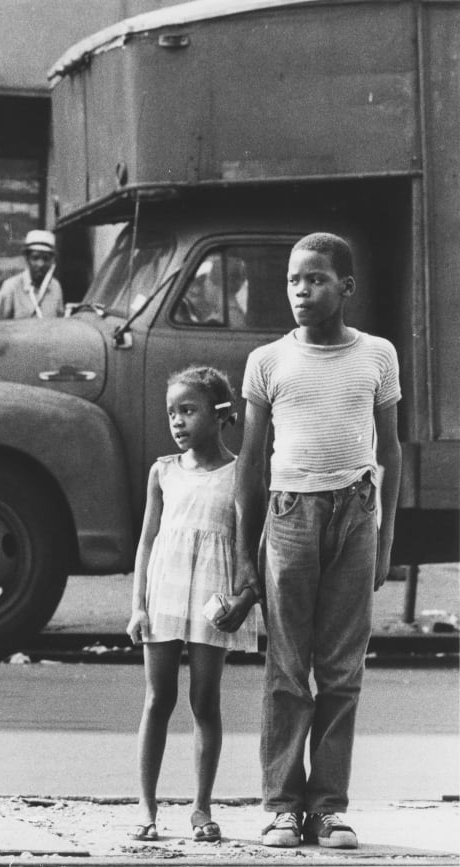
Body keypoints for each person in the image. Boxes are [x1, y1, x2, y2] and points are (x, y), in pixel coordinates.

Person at [219, 232, 402, 848]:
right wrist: (246, 557)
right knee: (288, 669)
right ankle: (281, 806)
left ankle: (328, 807)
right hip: (290, 514)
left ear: (346, 287)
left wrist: (385, 540)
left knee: (342, 669)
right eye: (294, 281)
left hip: (356, 511)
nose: (301, 291)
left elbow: (390, 451)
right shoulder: (268, 361)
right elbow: (250, 464)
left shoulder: (377, 355)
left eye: (316, 279)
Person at [126, 366, 258, 843]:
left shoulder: (240, 473)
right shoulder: (162, 471)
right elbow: (146, 542)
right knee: (158, 698)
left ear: (220, 415)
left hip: (211, 594)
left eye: (188, 410)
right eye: (171, 413)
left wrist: (244, 597)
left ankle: (201, 808)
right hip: (164, 591)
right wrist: (138, 606)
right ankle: (146, 805)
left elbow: (248, 544)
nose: (177, 421)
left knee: (205, 701)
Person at [0, 230, 64, 321]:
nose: (40, 264)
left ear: (52, 261)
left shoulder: (55, 287)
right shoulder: (11, 287)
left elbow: (60, 323)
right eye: (35, 258)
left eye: (46, 258)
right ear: (27, 258)